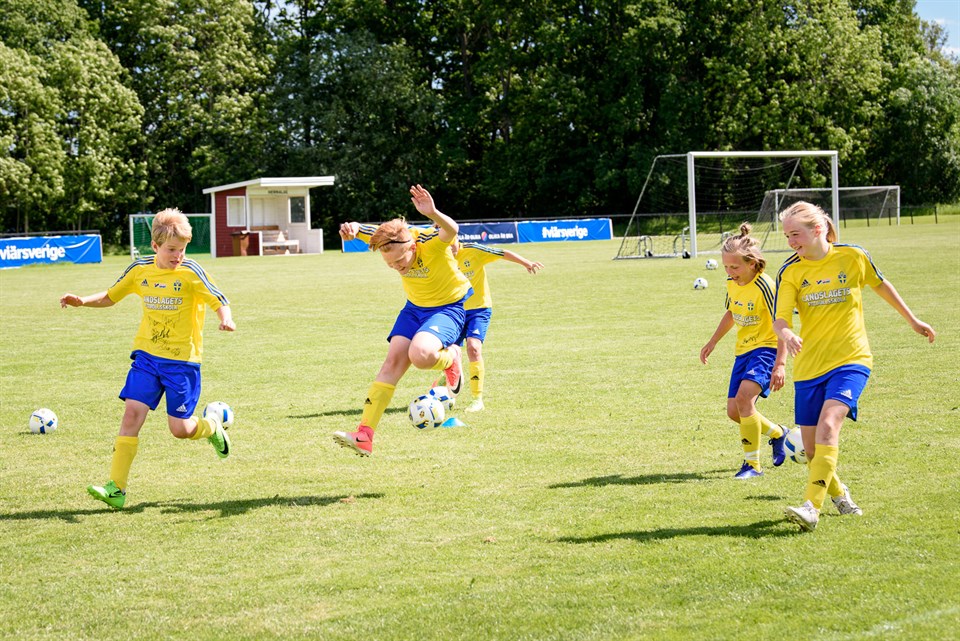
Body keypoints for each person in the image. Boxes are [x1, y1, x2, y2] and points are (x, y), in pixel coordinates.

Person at [773, 202, 935, 531]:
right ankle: (839, 494)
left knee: (829, 425)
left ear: (818, 229)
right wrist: (787, 333)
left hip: (852, 359)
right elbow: (780, 319)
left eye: (796, 234)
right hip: (809, 367)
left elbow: (880, 284)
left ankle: (811, 508)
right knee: (811, 450)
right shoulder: (790, 271)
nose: (791, 241)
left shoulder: (853, 256)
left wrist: (912, 320)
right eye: (787, 235)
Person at [60, 208, 235, 510]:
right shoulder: (139, 270)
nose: (178, 256)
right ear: (155, 246)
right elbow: (111, 296)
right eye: (171, 250)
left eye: (181, 249)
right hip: (147, 358)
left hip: (182, 362)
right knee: (131, 415)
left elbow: (218, 300)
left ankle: (211, 427)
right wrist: (83, 301)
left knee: (180, 430)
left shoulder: (191, 271)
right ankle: (116, 489)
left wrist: (226, 319)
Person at [334, 184, 472, 456]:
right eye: (390, 265)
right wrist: (349, 228)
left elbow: (452, 229)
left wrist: (432, 212)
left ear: (412, 246)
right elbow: (359, 228)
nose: (397, 267)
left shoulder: (429, 242)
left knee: (421, 355)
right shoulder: (387, 239)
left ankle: (451, 357)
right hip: (414, 309)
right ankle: (364, 436)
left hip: (447, 308)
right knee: (392, 363)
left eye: (399, 261)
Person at [699, 223, 790, 479]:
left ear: (752, 263)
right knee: (734, 412)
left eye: (735, 267)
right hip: (743, 351)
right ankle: (778, 433)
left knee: (744, 400)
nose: (730, 272)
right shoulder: (732, 283)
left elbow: (782, 323)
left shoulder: (766, 286)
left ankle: (753, 465)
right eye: (726, 267)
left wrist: (781, 364)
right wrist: (713, 341)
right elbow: (731, 312)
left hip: (766, 349)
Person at [442, 238, 543, 412]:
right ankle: (448, 393)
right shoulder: (440, 256)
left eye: (452, 244)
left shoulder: (473, 250)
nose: (450, 249)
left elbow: (502, 253)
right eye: (446, 246)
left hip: (479, 309)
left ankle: (477, 400)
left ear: (457, 238)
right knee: (450, 355)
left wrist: (526, 262)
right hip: (454, 310)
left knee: (474, 348)